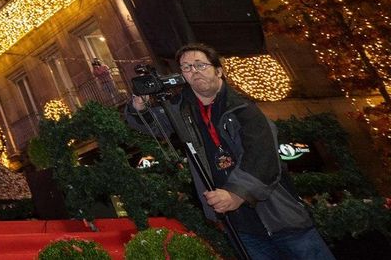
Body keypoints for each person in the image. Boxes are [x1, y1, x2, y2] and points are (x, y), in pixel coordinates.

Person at [127, 43, 333, 260]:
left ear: (219, 71)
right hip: (240, 227)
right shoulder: (184, 109)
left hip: (282, 219)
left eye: (200, 65)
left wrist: (236, 192)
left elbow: (263, 157)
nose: (194, 71)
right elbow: (155, 125)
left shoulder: (244, 109)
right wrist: (139, 107)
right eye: (186, 67)